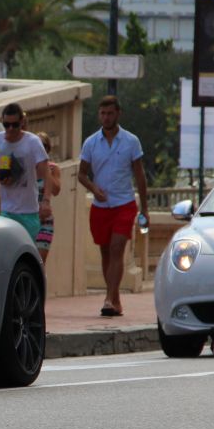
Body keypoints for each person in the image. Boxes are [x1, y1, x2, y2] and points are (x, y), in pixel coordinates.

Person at [77, 95, 149, 317]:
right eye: (102, 113)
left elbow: (140, 175)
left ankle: (108, 298)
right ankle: (115, 299)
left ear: (118, 114)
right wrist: (93, 188)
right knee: (106, 252)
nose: (106, 117)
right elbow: (81, 174)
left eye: (110, 113)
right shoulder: (91, 142)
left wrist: (144, 209)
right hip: (100, 206)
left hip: (124, 204)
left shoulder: (131, 141)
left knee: (118, 248)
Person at [0, 102, 49, 241]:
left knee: (27, 254)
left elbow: (45, 173)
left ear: (22, 122)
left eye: (15, 125)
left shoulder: (33, 142)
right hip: (4, 210)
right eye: (7, 125)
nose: (11, 129)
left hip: (28, 211)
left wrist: (46, 201)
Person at [33, 131, 63, 264]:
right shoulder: (27, 166)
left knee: (40, 261)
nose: (40, 148)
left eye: (43, 145)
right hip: (27, 216)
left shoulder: (53, 168)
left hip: (44, 220)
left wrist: (46, 170)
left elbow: (56, 190)